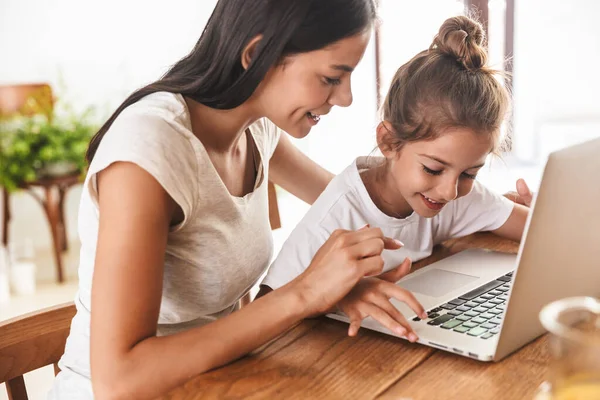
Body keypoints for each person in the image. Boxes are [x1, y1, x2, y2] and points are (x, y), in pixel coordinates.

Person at [47, 1, 422, 399]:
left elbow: (351, 202)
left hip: (216, 382)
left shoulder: (256, 129)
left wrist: (340, 282)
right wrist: (305, 293)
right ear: (256, 55)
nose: (345, 98)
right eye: (332, 77)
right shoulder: (149, 149)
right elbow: (119, 380)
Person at [260, 15, 532, 343]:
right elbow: (266, 303)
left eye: (470, 173)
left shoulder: (455, 193)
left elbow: (539, 230)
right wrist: (334, 295)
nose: (449, 191)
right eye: (432, 169)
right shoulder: (334, 219)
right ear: (389, 143)